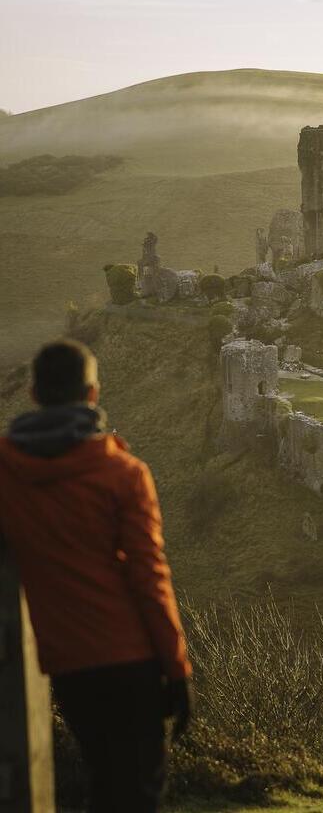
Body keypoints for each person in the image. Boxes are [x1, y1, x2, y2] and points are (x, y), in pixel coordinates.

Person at [0, 339, 193, 813]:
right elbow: (150, 576)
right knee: (136, 792)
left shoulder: (6, 473)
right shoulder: (123, 473)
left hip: (66, 662)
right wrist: (177, 667)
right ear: (92, 394)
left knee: (104, 783)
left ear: (32, 394)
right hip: (132, 658)